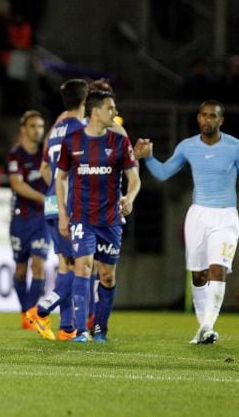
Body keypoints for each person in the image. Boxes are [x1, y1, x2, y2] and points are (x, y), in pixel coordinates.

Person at [134, 100, 239, 344]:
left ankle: (208, 325)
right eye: (204, 115)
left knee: (218, 268)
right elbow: (163, 173)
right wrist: (149, 157)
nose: (207, 120)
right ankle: (203, 328)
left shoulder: (235, 147)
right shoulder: (188, 147)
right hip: (198, 215)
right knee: (198, 275)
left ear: (221, 120)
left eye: (213, 116)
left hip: (226, 216)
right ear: (198, 118)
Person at [55, 84, 140, 343]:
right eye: (110, 108)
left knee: (106, 274)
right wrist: (62, 214)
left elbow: (134, 178)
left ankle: (100, 329)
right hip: (82, 218)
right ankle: (80, 331)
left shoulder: (120, 141)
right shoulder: (73, 141)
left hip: (111, 220)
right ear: (95, 112)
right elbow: (60, 178)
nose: (115, 111)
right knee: (83, 266)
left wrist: (130, 199)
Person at [26, 79, 88, 341]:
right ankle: (40, 310)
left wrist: (56, 192)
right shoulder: (82, 131)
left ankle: (67, 328)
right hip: (70, 205)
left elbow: (44, 169)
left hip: (52, 203)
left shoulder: (55, 131)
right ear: (85, 102)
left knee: (66, 264)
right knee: (78, 266)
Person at [8, 110, 48, 329]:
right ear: (24, 129)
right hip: (20, 219)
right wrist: (44, 197)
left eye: (41, 127)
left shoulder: (46, 155)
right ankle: (26, 312)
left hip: (42, 220)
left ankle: (32, 313)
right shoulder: (17, 154)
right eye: (33, 126)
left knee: (39, 266)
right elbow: (17, 184)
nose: (37, 131)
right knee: (21, 269)